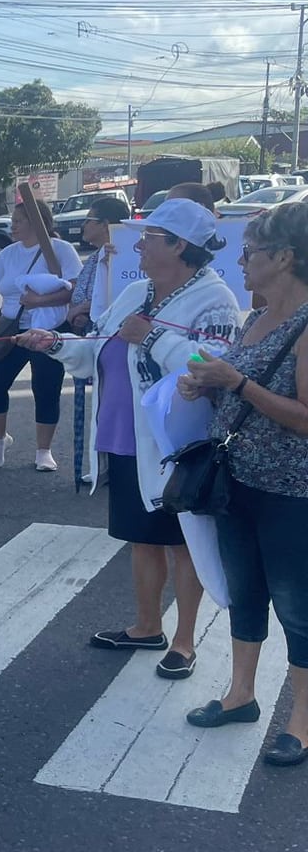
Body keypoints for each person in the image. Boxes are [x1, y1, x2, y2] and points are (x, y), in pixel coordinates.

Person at [15, 198, 241, 680]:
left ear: (179, 246)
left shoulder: (216, 299)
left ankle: (184, 641)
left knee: (185, 542)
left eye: (148, 239)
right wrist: (55, 344)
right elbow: (95, 349)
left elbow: (216, 367)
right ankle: (146, 626)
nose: (137, 247)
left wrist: (153, 337)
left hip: (175, 444)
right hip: (122, 435)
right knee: (141, 537)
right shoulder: (137, 292)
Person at [178, 202, 308, 766]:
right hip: (237, 481)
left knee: (298, 608)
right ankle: (240, 694)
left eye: (250, 251)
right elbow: (240, 389)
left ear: (284, 258)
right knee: (245, 593)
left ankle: (302, 721)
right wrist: (207, 385)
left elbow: (305, 418)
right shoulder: (259, 316)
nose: (241, 261)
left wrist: (236, 382)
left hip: (292, 492)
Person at [0, 198, 83, 471]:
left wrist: (40, 301)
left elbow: (75, 289)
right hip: (11, 328)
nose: (12, 226)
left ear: (36, 223)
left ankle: (44, 450)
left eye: (18, 221)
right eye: (12, 221)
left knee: (46, 387)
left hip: (49, 329)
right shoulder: (8, 254)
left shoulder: (61, 250)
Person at [63, 197, 133, 486]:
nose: (84, 226)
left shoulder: (125, 255)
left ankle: (116, 463)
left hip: (116, 338)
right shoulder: (95, 258)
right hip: (91, 335)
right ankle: (101, 464)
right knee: (100, 406)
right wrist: (77, 313)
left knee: (114, 404)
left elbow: (120, 297)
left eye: (89, 220)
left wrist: (83, 308)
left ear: (105, 224)